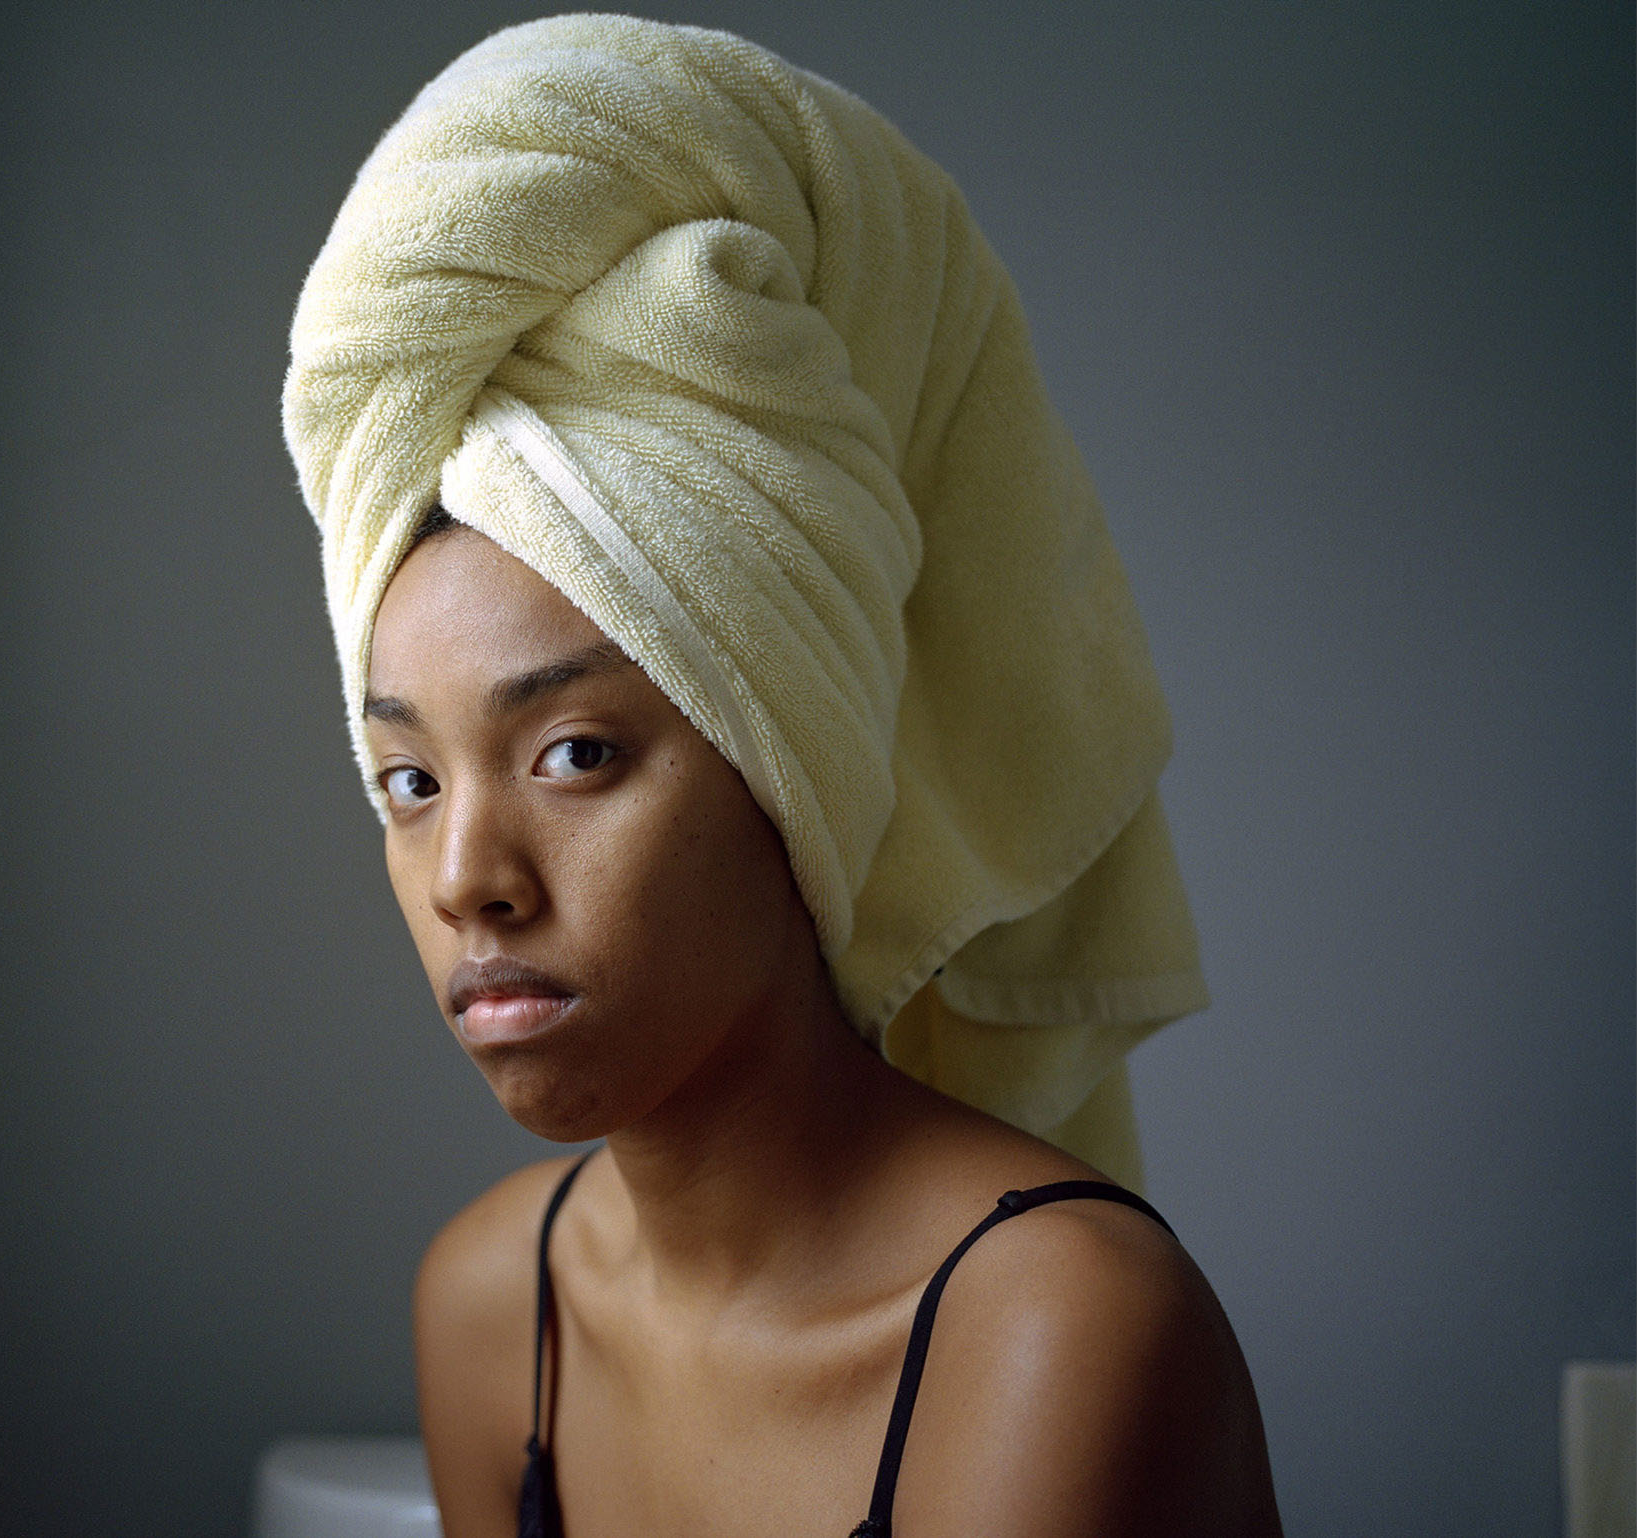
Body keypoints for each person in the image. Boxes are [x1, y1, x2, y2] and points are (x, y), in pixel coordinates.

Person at [283, 15, 1283, 1535]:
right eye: (405, 779)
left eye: (575, 753)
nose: (466, 874)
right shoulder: (493, 1307)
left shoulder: (1056, 1329)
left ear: (791, 776)